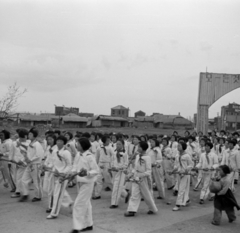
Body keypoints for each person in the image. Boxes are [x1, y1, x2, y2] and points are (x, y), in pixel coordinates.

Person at [70, 137, 99, 233]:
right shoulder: (78, 154)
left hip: (87, 183)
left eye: (78, 144)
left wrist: (87, 173)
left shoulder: (90, 156)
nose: (76, 145)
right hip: (79, 181)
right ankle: (88, 224)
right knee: (86, 204)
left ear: (83, 145)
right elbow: (75, 166)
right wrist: (71, 173)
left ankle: (77, 227)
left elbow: (96, 170)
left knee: (78, 204)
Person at [124, 141, 158, 217]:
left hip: (144, 179)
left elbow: (148, 171)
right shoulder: (137, 156)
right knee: (134, 194)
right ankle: (131, 210)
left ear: (143, 148)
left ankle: (152, 209)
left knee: (147, 195)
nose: (137, 148)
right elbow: (135, 168)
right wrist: (130, 174)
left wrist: (140, 175)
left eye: (139, 147)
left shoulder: (147, 158)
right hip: (136, 178)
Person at [46, 135, 73, 219]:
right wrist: (47, 167)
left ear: (64, 142)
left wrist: (63, 173)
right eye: (57, 141)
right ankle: (69, 203)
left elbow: (69, 165)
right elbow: (52, 162)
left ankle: (54, 213)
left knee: (57, 195)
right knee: (54, 192)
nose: (58, 142)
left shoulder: (66, 152)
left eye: (60, 141)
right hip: (54, 174)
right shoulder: (54, 151)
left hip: (62, 176)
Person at [20, 128, 44, 202]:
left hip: (35, 165)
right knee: (23, 179)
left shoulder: (37, 144)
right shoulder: (30, 143)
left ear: (34, 135)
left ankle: (38, 196)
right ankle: (25, 194)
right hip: (29, 164)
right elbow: (28, 154)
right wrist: (24, 160)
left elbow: (39, 155)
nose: (29, 135)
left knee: (36, 181)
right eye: (29, 134)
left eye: (30, 134)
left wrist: (30, 160)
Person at [172, 141, 194, 211]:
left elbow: (191, 165)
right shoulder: (177, 155)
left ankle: (177, 204)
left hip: (185, 174)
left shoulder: (187, 156)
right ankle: (187, 200)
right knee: (180, 188)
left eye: (179, 146)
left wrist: (185, 170)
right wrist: (174, 169)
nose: (178, 147)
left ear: (183, 147)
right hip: (179, 174)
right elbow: (176, 164)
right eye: (178, 146)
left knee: (181, 189)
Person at [10, 129, 30, 198]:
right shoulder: (14, 143)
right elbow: (11, 155)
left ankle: (20, 192)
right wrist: (16, 161)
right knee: (17, 178)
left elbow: (30, 153)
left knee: (22, 179)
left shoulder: (29, 143)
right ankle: (21, 192)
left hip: (27, 164)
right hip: (18, 164)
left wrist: (25, 163)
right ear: (25, 136)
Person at [110, 139, 128, 208]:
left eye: (119, 144)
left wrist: (120, 168)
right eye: (117, 144)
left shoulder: (124, 153)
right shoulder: (114, 152)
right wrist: (112, 167)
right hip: (114, 171)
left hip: (120, 172)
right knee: (114, 184)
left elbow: (126, 164)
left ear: (123, 145)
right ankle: (126, 194)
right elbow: (112, 160)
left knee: (117, 187)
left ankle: (114, 203)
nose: (118, 145)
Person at [42, 134, 58, 213]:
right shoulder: (48, 148)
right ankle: (68, 202)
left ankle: (51, 207)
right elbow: (47, 158)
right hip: (47, 170)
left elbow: (54, 161)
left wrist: (48, 167)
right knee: (45, 189)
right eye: (48, 139)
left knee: (51, 190)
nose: (49, 141)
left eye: (51, 139)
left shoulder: (56, 149)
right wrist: (44, 165)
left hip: (52, 171)